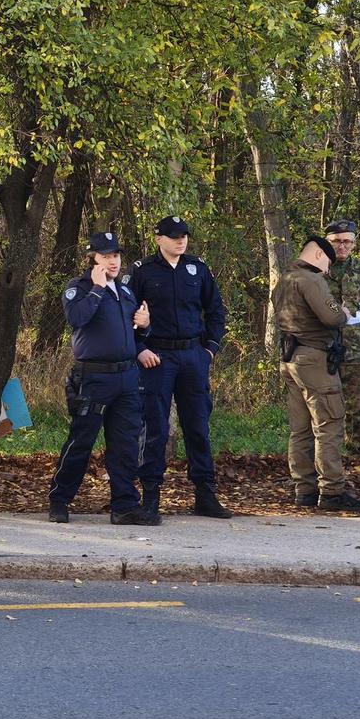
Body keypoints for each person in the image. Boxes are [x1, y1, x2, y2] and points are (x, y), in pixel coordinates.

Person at [126, 215, 232, 520]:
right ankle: (151, 496)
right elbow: (126, 313)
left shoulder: (197, 269)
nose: (180, 241)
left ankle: (205, 494)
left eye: (184, 235)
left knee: (198, 426)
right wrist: (139, 348)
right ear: (158, 239)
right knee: (155, 427)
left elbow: (215, 310)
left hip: (192, 356)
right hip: (157, 357)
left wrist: (210, 349)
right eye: (174, 236)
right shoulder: (142, 271)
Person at [48, 232, 156, 525]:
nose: (113, 261)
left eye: (116, 255)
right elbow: (76, 319)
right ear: (92, 258)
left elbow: (132, 336)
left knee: (125, 445)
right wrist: (96, 289)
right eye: (106, 256)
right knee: (81, 441)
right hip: (94, 378)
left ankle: (124, 506)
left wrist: (145, 327)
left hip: (126, 377)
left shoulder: (126, 291)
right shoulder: (78, 288)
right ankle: (59, 500)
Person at [273, 236, 360, 511]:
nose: (328, 270)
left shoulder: (285, 279)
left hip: (291, 358)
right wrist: (344, 312)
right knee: (329, 424)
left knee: (299, 429)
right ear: (317, 256)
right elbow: (333, 318)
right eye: (327, 262)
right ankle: (332, 491)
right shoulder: (311, 280)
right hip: (315, 359)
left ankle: (304, 489)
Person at [324, 219, 360, 457]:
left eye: (347, 242)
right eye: (336, 242)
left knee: (357, 405)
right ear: (327, 242)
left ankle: (359, 455)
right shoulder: (317, 270)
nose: (342, 247)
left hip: (353, 349)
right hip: (323, 349)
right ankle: (326, 456)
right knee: (325, 407)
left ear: (353, 243)